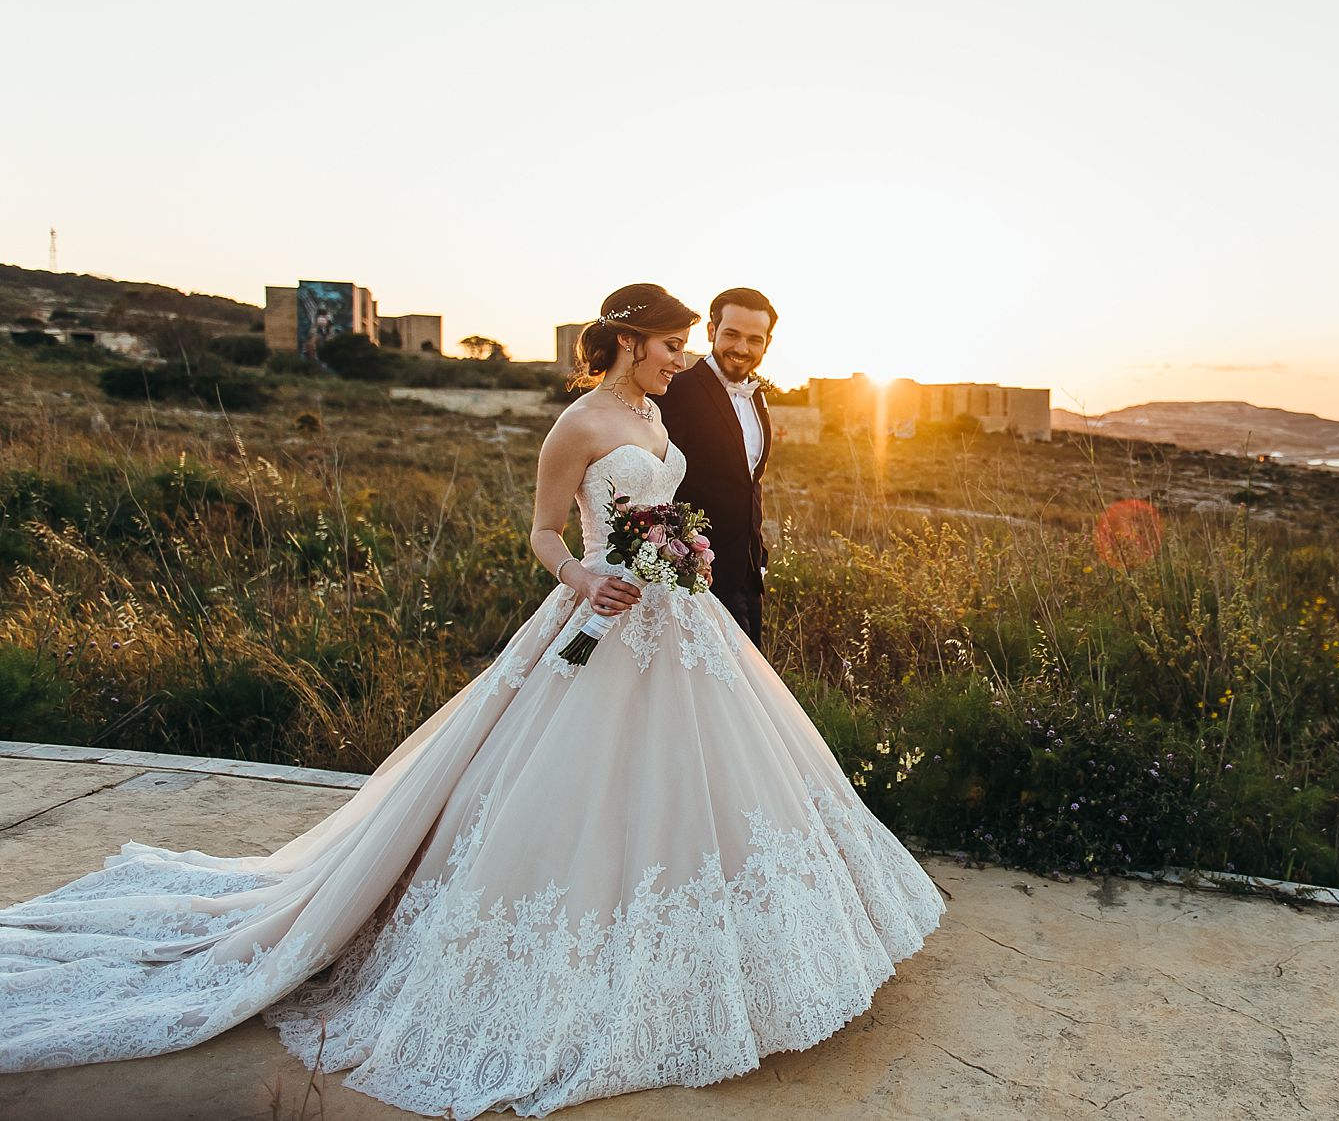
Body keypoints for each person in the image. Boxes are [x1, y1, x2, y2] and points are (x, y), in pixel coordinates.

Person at [0, 283, 944, 1118]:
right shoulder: (579, 425)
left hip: (681, 624)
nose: (682, 359)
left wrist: (680, 554)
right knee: (568, 781)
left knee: (708, 784)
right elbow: (542, 530)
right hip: (597, 618)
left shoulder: (659, 423)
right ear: (628, 342)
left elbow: (668, 506)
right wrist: (582, 576)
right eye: (671, 346)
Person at [656, 287, 775, 644]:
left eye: (754, 339)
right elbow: (657, 483)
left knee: (748, 692)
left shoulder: (757, 397)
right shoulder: (676, 391)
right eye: (732, 334)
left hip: (749, 576)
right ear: (711, 332)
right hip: (692, 577)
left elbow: (748, 481)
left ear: (767, 343)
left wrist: (759, 558)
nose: (742, 348)